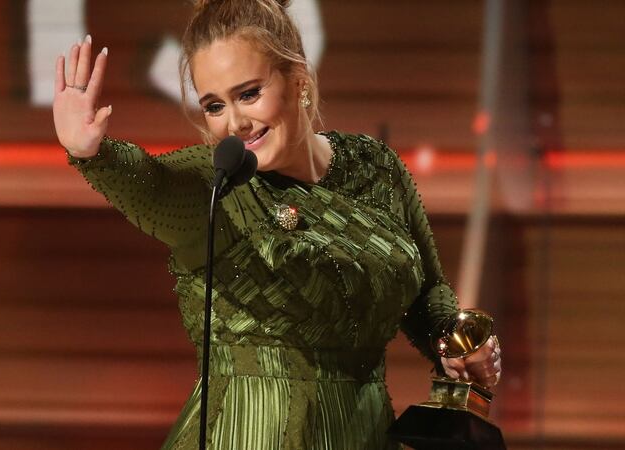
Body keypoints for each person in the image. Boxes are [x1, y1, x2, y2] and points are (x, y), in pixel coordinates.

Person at [52, 0, 502, 448]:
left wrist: (456, 343)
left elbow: (426, 291)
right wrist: (93, 154)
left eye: (248, 94)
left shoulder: (375, 166)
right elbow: (153, 187)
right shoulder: (218, 185)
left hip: (364, 435)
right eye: (214, 106)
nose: (235, 122)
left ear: (299, 80)